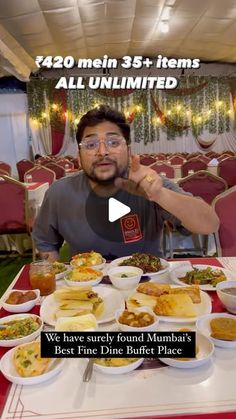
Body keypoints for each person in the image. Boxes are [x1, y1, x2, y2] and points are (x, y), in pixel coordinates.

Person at [32, 105, 219, 262]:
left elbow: (210, 225)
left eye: (113, 142)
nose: (103, 151)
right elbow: (45, 242)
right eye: (91, 145)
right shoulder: (59, 192)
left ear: (128, 150)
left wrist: (160, 195)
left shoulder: (151, 185)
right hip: (85, 290)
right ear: (78, 157)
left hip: (148, 288)